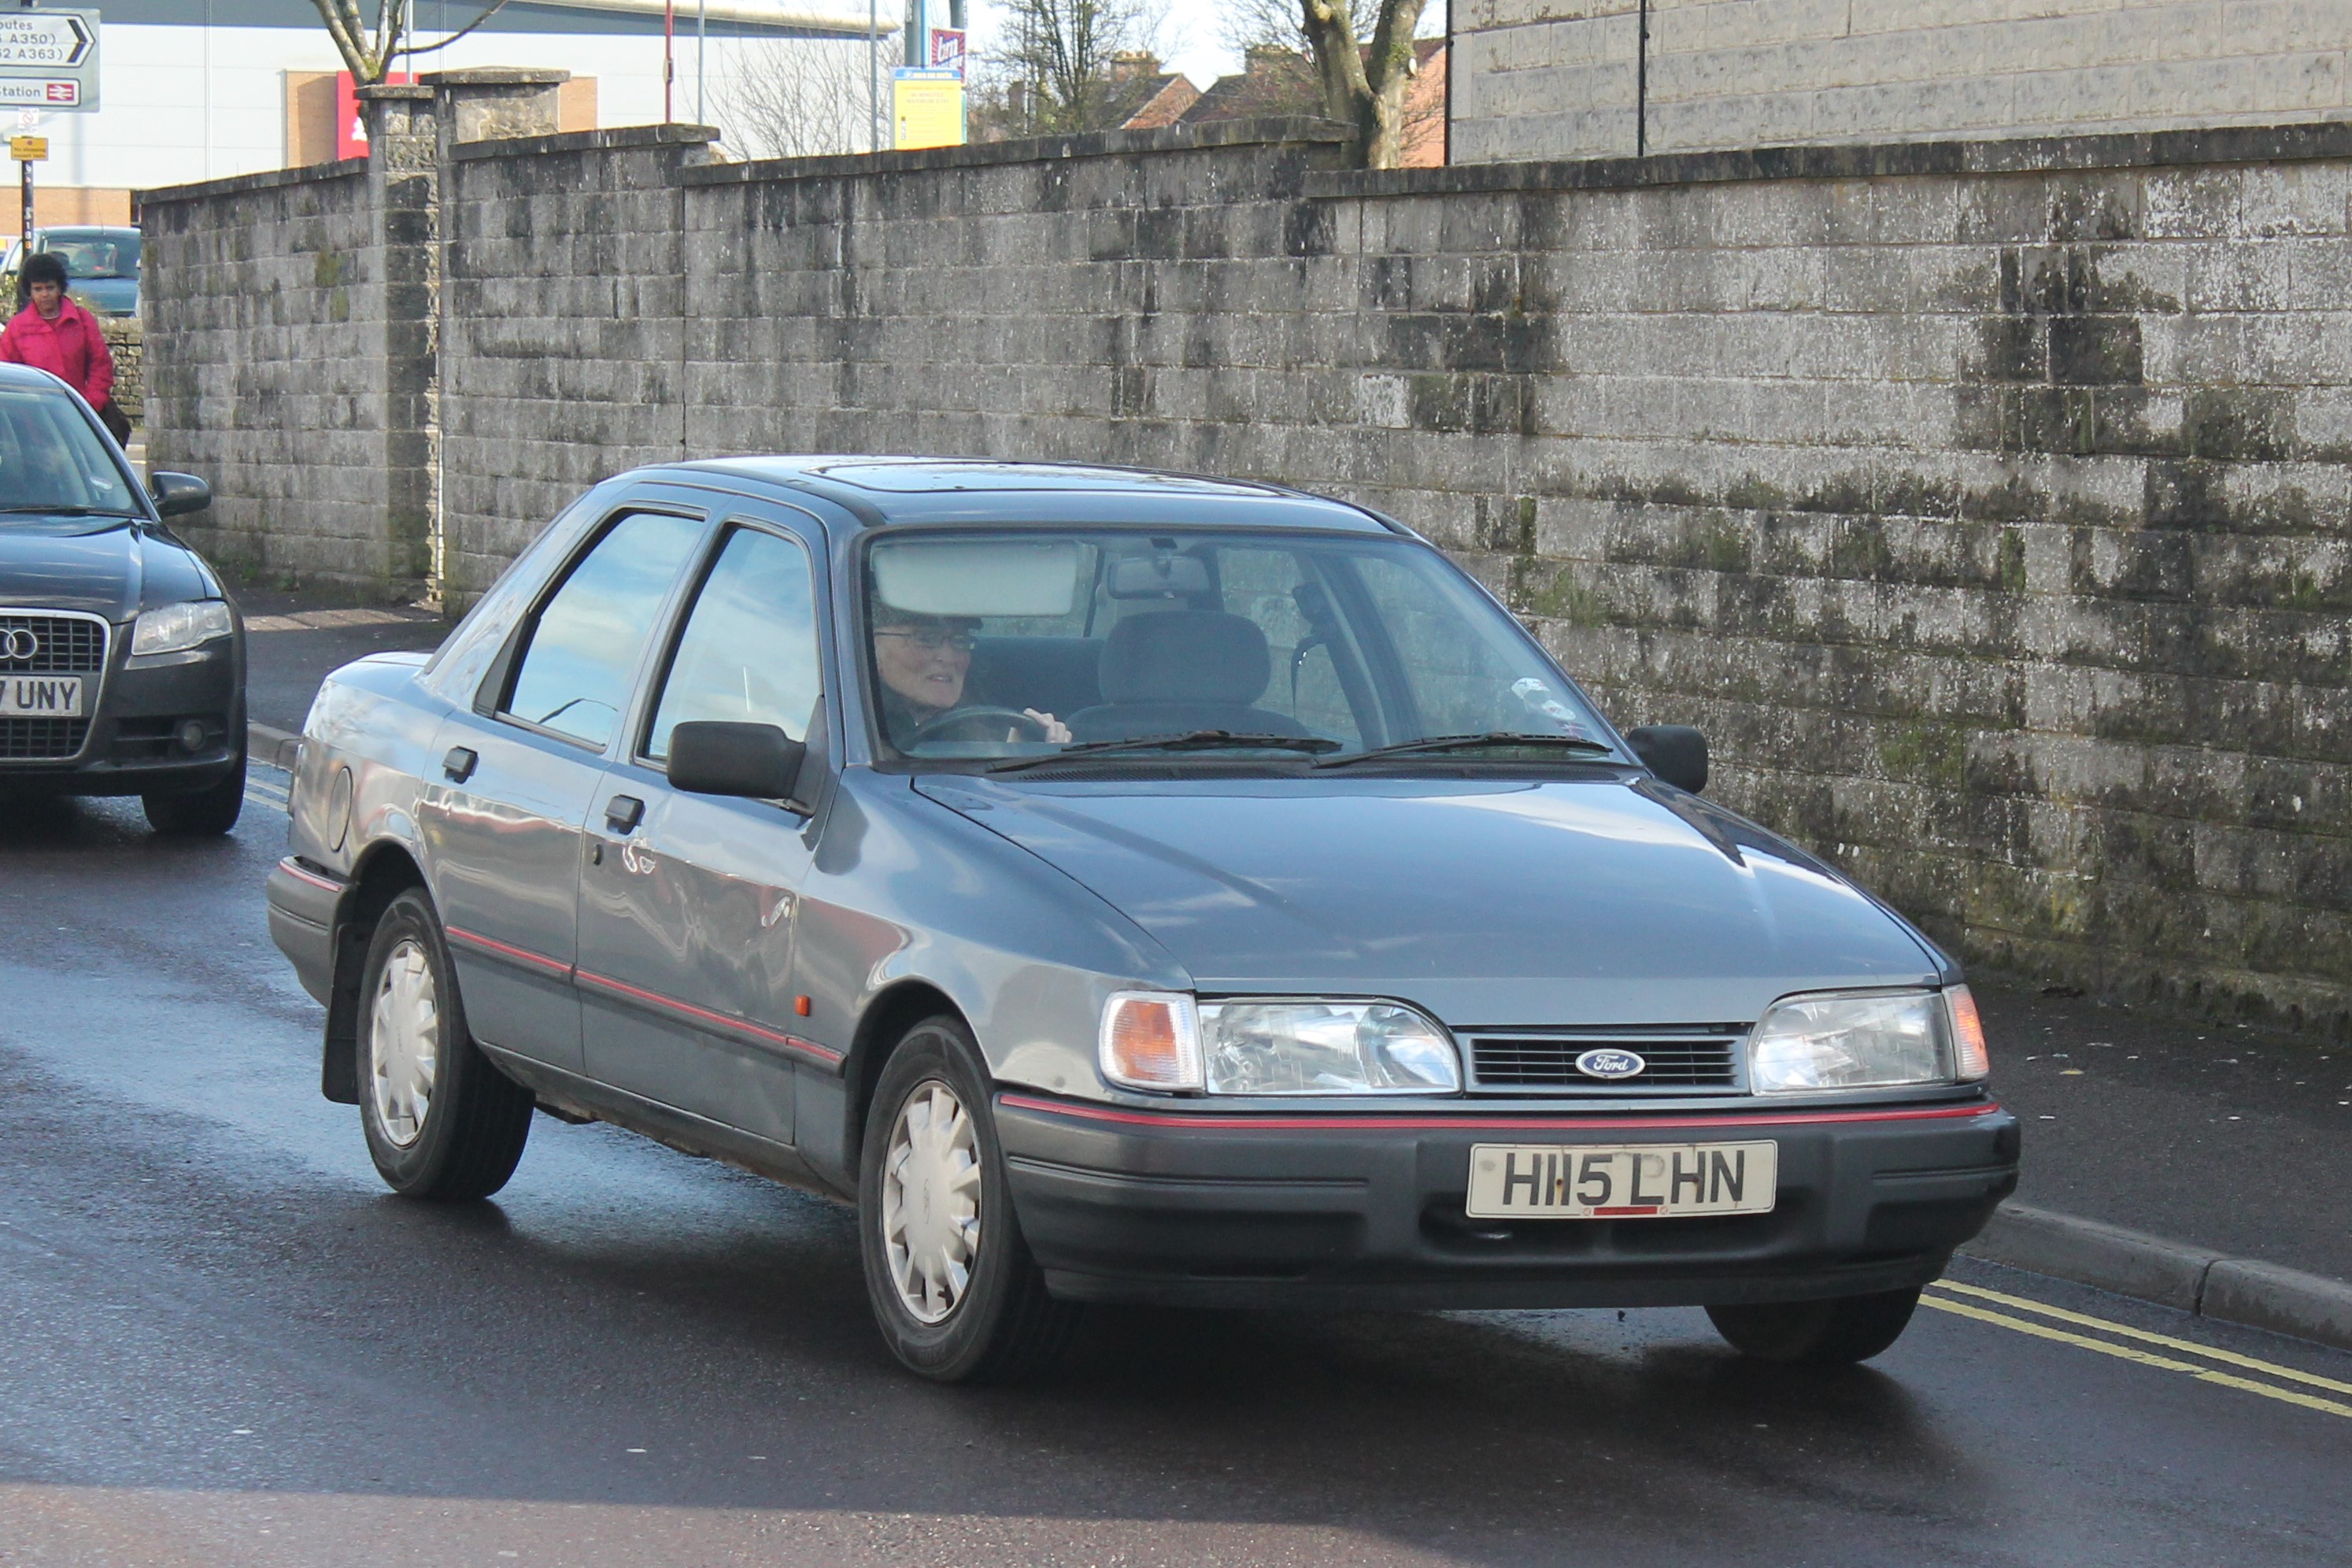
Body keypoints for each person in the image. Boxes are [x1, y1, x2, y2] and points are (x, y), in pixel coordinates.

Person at [871, 603, 1071, 747]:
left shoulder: (980, 716)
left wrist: (1024, 748)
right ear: (872, 647)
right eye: (925, 638)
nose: (949, 657)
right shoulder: (853, 729)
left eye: (960, 640)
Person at [1, 251, 123, 442]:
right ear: (29, 291)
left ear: (60, 288)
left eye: (50, 287)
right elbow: (8, 377)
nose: (44, 294)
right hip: (35, 424)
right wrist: (25, 413)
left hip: (81, 416)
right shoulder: (17, 329)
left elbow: (101, 365)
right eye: (38, 289)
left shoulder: (82, 321)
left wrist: (89, 405)